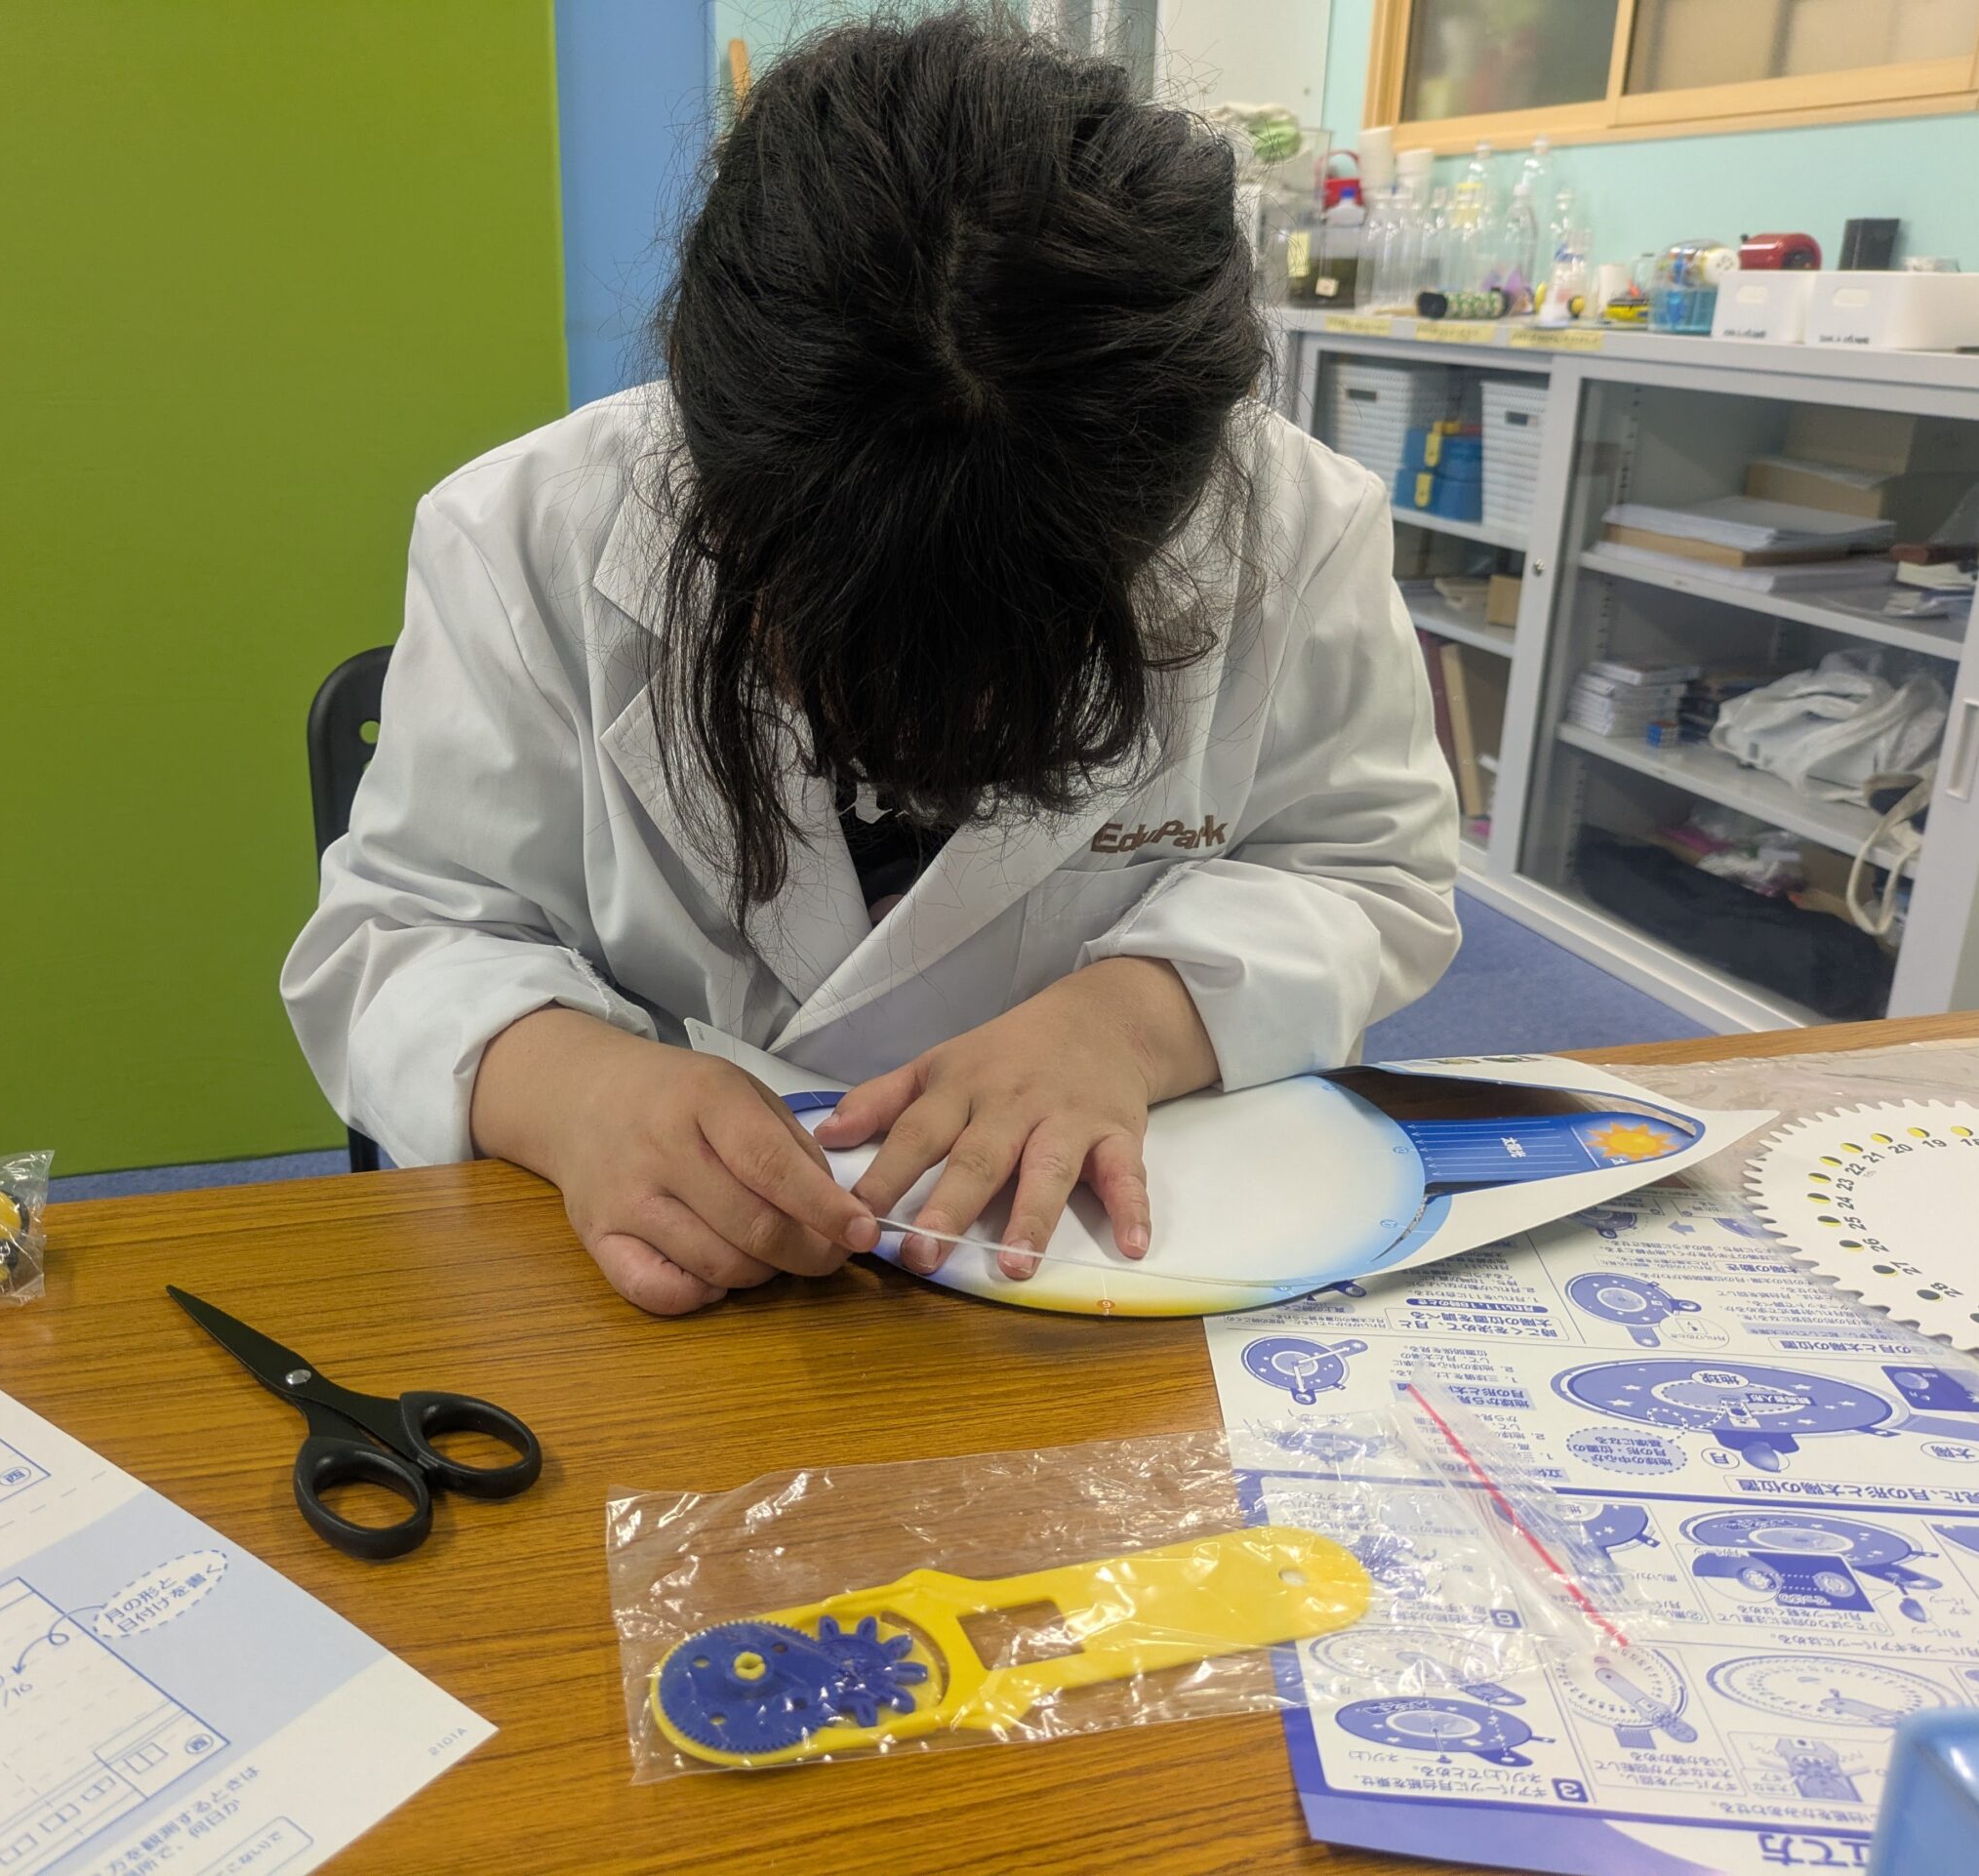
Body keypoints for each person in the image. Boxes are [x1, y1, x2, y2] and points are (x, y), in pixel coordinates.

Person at [284, 14, 1459, 1315]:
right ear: (713, 490)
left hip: (1109, 1272)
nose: (938, 730)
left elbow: (1369, 872)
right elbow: (399, 936)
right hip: (677, 1297)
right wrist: (573, 1092)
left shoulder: (1293, 531)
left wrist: (1134, 1020)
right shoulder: (521, 537)